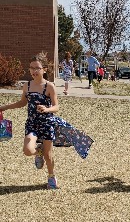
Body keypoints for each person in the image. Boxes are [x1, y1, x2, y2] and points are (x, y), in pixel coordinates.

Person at [0, 52, 93, 189]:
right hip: (32, 123)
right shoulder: (27, 86)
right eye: (31, 68)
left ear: (44, 69)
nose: (33, 71)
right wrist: (4, 107)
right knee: (27, 150)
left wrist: (46, 109)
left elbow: (56, 107)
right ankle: (39, 151)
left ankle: (51, 176)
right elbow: (22, 103)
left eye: (37, 68)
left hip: (47, 124)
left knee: (49, 156)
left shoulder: (49, 86)